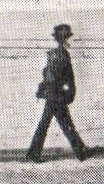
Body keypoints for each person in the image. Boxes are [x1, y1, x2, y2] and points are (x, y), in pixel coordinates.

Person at [26, 24, 89, 163]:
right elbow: (69, 77)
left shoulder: (51, 55)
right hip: (57, 95)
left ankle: (34, 153)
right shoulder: (64, 55)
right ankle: (80, 151)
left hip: (51, 94)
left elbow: (46, 75)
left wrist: (43, 90)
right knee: (63, 124)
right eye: (68, 38)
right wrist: (71, 93)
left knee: (54, 123)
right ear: (65, 39)